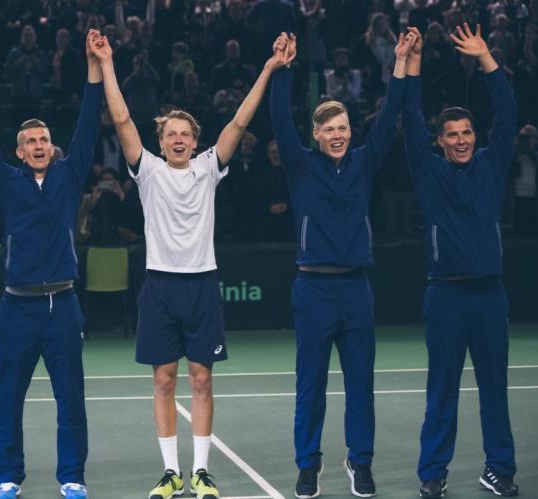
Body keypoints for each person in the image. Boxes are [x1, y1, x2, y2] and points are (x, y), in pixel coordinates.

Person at [93, 29, 292, 499]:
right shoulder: (148, 170)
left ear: (195, 141)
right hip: (160, 286)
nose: (178, 140)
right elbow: (121, 119)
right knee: (164, 381)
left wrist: (267, 68)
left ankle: (201, 471)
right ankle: (170, 473)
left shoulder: (208, 167)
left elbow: (240, 122)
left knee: (201, 379)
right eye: (171, 135)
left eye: (186, 135)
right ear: (160, 142)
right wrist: (105, 65)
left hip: (201, 285)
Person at [0, 29, 105, 499]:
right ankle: (7, 476)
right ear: (18, 151)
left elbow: (90, 121)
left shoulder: (69, 176)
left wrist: (94, 67)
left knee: (70, 400)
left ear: (53, 147)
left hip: (63, 307)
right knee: (7, 399)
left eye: (44, 140)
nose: (38, 145)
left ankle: (72, 475)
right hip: (17, 309)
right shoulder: (6, 179)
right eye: (30, 141)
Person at [269, 30, 413, 499]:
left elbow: (390, 116)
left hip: (356, 289)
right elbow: (277, 118)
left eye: (344, 127)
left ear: (352, 131)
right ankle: (308, 466)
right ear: (316, 134)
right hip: (312, 290)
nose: (337, 134)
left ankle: (361, 462)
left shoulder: (365, 163)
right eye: (329, 128)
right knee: (309, 386)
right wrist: (284, 69)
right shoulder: (299, 165)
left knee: (361, 387)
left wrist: (398, 65)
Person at [402, 25, 520, 499]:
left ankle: (500, 471)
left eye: (468, 131)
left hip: (489, 295)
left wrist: (488, 60)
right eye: (452, 134)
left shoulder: (492, 164)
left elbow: (509, 113)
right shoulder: (428, 172)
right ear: (441, 141)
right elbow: (409, 119)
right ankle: (433, 473)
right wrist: (411, 65)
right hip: (446, 295)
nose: (463, 139)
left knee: (495, 391)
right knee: (442, 392)